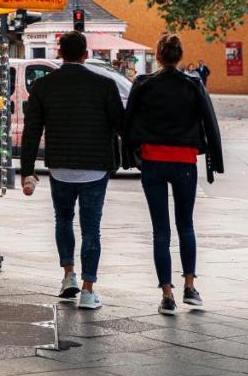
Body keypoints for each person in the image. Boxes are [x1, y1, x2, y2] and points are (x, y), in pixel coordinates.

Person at [20, 30, 125, 311]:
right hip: (94, 169)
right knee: (92, 229)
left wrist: (26, 170)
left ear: (59, 53)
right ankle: (88, 291)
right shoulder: (105, 85)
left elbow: (31, 131)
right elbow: (120, 125)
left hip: (60, 168)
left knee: (63, 220)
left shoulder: (43, 86)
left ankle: (68, 276)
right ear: (85, 54)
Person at [123, 33, 224, 316]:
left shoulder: (144, 85)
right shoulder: (193, 85)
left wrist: (129, 156)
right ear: (179, 56)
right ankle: (190, 287)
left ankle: (167, 294)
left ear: (158, 55)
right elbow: (210, 123)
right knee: (186, 225)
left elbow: (128, 122)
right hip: (184, 162)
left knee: (160, 230)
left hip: (153, 161)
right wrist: (215, 160)